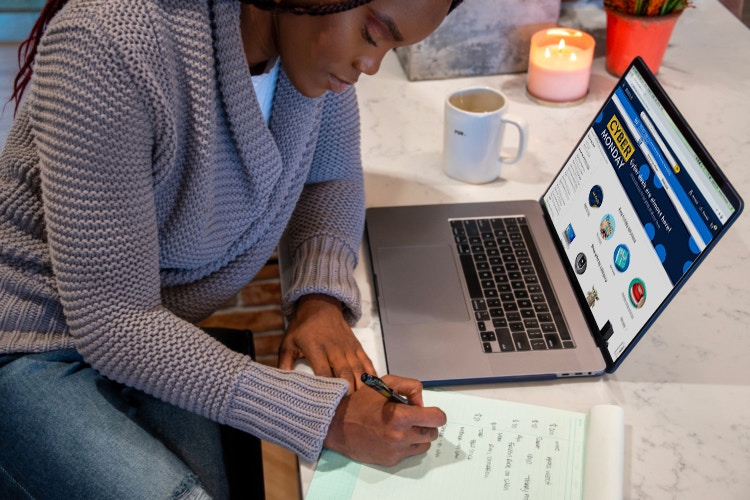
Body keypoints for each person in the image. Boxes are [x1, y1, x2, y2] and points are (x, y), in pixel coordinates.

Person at [0, 0, 463, 498]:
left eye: (393, 47)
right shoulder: (111, 41)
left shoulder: (307, 48)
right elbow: (114, 320)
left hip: (156, 331)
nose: (370, 66)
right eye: (373, 33)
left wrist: (319, 299)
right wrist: (322, 416)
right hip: (29, 340)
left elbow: (331, 179)